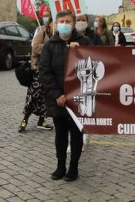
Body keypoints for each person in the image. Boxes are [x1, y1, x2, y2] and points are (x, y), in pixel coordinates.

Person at [40, 10, 92, 182]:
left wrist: (80, 53)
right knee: (60, 133)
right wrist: (58, 94)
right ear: (56, 23)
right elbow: (45, 72)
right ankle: (60, 165)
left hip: (78, 97)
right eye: (61, 21)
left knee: (76, 133)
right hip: (58, 99)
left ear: (73, 23)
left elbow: (93, 66)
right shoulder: (50, 45)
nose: (64, 24)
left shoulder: (84, 42)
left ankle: (73, 167)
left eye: (68, 21)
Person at [18, 10, 54, 132]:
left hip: (51, 71)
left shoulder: (59, 36)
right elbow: (35, 48)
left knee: (46, 96)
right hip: (39, 69)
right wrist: (50, 46)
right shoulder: (42, 32)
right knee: (33, 95)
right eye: (53, 22)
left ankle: (42, 120)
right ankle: (24, 120)